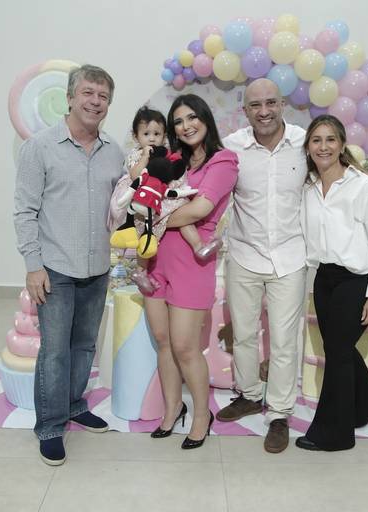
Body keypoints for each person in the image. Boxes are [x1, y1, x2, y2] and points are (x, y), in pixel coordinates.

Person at [111, 94, 238, 449]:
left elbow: (199, 209)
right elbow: (140, 192)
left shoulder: (223, 161)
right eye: (178, 121)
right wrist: (148, 215)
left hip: (191, 265)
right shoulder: (170, 159)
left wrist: (152, 218)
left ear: (206, 118)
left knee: (185, 347)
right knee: (164, 342)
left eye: (192, 117)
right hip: (154, 261)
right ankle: (172, 409)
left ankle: (201, 416)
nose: (186, 126)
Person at [14, 64, 124, 466]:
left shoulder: (114, 151)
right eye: (88, 93)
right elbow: (24, 211)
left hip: (98, 267)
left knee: (84, 346)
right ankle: (50, 425)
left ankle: (75, 404)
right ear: (70, 97)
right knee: (55, 351)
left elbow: (119, 208)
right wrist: (33, 265)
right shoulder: (40, 147)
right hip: (55, 268)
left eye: (103, 96)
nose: (95, 102)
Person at [218, 78, 308, 453]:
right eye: (256, 105)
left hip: (291, 256)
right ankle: (250, 394)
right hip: (244, 254)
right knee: (243, 334)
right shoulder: (231, 147)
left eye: (271, 102)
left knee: (284, 340)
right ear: (245, 110)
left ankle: (280, 414)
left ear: (282, 104)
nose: (264, 111)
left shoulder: (305, 143)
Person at [296, 114, 368, 452]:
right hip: (324, 279)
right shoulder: (307, 188)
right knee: (339, 349)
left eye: (330, 139)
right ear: (308, 147)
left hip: (355, 281)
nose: (323, 147)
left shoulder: (364, 187)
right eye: (316, 140)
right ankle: (367, 405)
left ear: (341, 145)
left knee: (336, 354)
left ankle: (334, 433)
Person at [113, 106, 221, 294]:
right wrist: (145, 157)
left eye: (157, 134)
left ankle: (198, 247)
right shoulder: (136, 154)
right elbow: (135, 175)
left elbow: (172, 174)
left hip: (163, 197)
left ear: (164, 136)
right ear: (136, 136)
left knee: (184, 215)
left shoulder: (167, 153)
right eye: (146, 134)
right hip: (144, 199)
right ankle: (140, 270)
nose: (152, 138)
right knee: (145, 235)